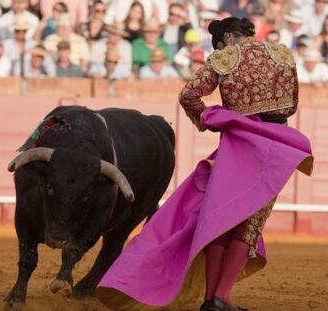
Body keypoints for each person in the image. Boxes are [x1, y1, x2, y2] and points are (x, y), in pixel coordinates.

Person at [95, 17, 313, 311]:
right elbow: (290, 105)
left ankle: (214, 297)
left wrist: (211, 119)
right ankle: (221, 297)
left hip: (238, 147)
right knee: (250, 224)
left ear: (225, 39)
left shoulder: (224, 59)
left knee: (221, 217)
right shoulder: (282, 54)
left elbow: (188, 96)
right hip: (276, 147)